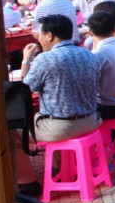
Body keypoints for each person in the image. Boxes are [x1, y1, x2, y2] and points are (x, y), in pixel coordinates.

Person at [20, 15, 102, 143]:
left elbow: (24, 90)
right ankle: (61, 156)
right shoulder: (89, 54)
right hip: (91, 121)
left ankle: (53, 156)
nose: (38, 40)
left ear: (49, 35)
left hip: (61, 128)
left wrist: (26, 60)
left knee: (12, 131)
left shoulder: (45, 58)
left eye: (40, 35)